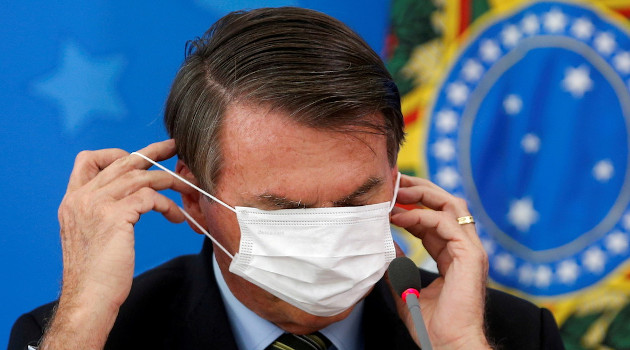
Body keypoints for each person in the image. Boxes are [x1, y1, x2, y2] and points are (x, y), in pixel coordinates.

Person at [9, 7, 564, 350]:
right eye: (287, 209)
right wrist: (80, 324)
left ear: (398, 181)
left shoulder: (510, 333)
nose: (328, 233)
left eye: (357, 198)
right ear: (196, 202)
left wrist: (461, 347)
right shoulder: (85, 337)